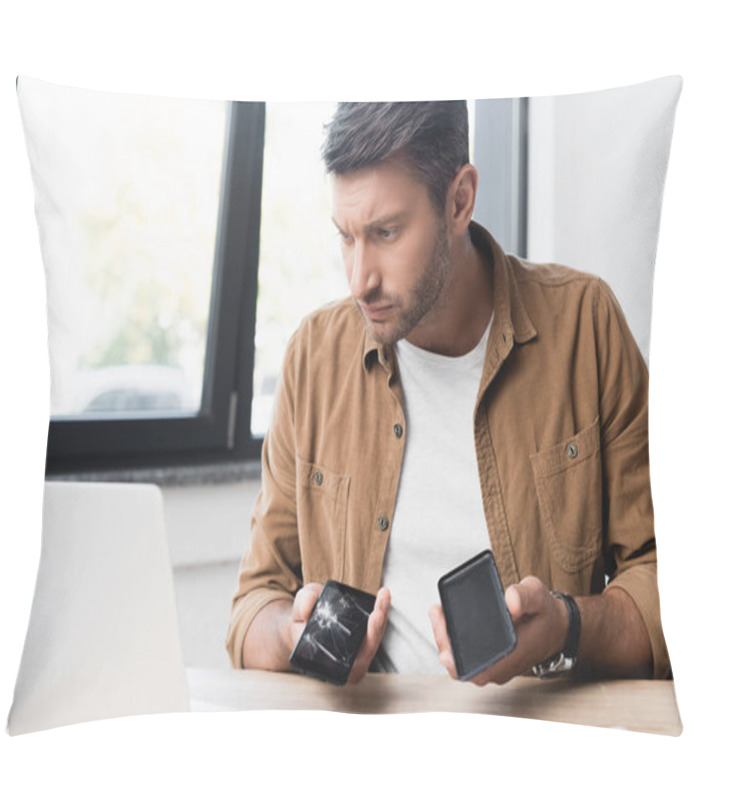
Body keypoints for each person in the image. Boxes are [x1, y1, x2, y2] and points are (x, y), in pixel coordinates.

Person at [226, 100, 671, 686]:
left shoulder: (585, 327)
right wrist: (292, 635)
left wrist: (566, 625)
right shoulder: (314, 356)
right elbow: (253, 606)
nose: (360, 279)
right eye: (346, 237)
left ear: (459, 200)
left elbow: (671, 585)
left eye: (385, 232)